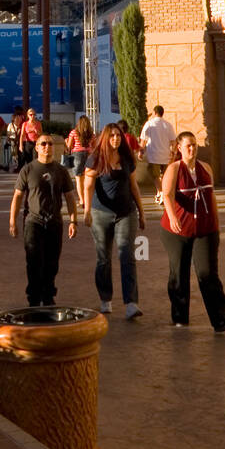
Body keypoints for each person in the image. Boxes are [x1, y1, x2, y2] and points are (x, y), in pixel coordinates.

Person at [160, 130, 225, 331]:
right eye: (188, 145)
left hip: (205, 229)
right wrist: (174, 217)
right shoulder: (174, 169)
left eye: (194, 144)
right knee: (179, 272)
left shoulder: (206, 168)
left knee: (207, 273)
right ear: (179, 148)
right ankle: (180, 317)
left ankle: (222, 319)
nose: (192, 149)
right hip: (176, 231)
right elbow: (167, 195)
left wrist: (216, 225)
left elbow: (212, 198)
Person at [83, 123, 145, 320]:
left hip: (126, 212)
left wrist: (142, 212)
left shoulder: (127, 158)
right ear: (105, 138)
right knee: (104, 258)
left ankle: (131, 303)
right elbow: (88, 186)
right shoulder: (95, 159)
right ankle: (105, 299)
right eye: (112, 136)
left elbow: (134, 186)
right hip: (100, 214)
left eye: (118, 135)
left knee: (127, 255)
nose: (116, 139)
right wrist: (86, 211)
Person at [9, 135, 79, 307]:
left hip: (54, 222)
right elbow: (18, 196)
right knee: (34, 261)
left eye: (50, 144)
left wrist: (73, 221)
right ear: (37, 148)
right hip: (33, 222)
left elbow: (70, 197)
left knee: (52, 262)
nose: (47, 146)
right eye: (43, 144)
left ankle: (48, 296)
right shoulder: (28, 169)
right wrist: (13, 221)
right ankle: (33, 297)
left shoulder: (60, 171)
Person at [138, 105, 177, 206]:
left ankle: (161, 192)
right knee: (165, 176)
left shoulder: (149, 124)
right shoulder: (168, 125)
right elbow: (173, 141)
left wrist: (141, 152)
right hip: (166, 155)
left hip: (153, 155)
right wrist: (173, 153)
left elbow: (143, 141)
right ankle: (163, 193)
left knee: (155, 176)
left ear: (155, 112)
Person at [66, 114, 94, 208]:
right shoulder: (91, 133)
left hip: (77, 155)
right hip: (88, 155)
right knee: (87, 178)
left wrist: (66, 142)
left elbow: (69, 146)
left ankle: (82, 200)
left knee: (79, 179)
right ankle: (87, 199)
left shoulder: (74, 132)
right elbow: (94, 146)